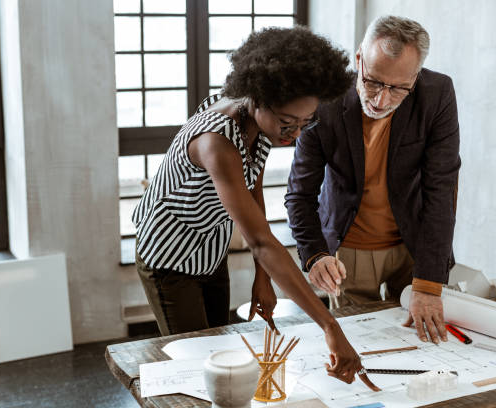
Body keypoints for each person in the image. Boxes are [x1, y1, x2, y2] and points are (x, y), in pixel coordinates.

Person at [133, 26, 377, 388]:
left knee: (220, 349)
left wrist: (263, 280)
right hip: (168, 256)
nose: (293, 135)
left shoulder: (259, 126)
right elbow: (262, 242)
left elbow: (254, 194)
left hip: (208, 248)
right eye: (286, 122)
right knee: (197, 365)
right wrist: (330, 325)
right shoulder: (217, 141)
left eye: (304, 123)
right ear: (258, 97)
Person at [286, 16, 460, 345]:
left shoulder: (437, 95)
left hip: (413, 246)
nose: (381, 100)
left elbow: (441, 189)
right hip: (348, 250)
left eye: (397, 89)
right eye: (373, 82)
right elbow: (300, 192)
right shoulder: (324, 100)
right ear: (358, 60)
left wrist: (428, 284)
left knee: (418, 347)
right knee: (356, 347)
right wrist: (314, 254)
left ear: (416, 75)